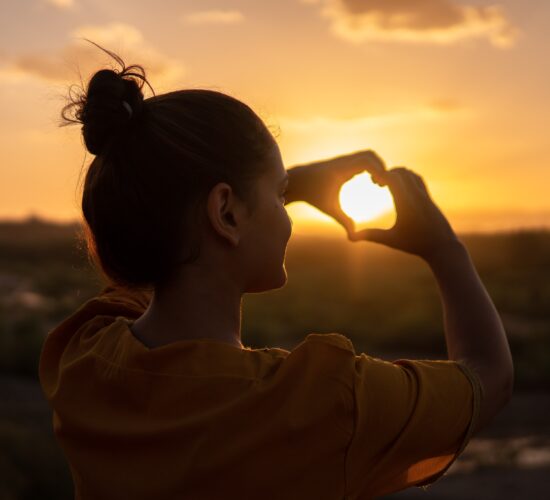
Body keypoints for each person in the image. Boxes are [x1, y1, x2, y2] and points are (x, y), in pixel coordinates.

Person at [39, 42, 513, 500]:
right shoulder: (321, 402)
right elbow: (488, 377)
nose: (287, 213)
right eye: (280, 195)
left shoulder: (83, 357)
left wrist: (271, 187)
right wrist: (445, 249)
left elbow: (158, 241)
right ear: (225, 213)